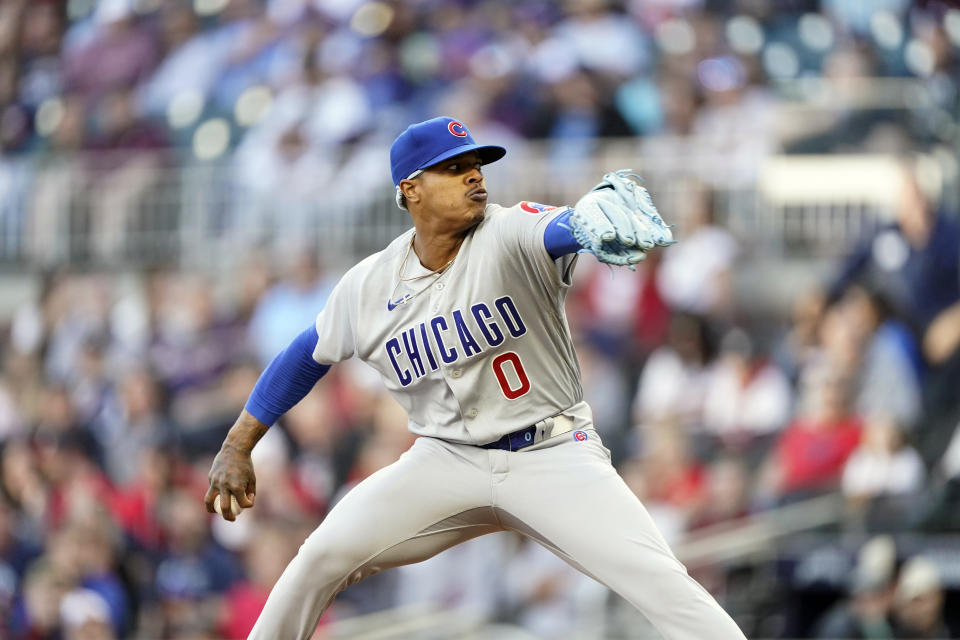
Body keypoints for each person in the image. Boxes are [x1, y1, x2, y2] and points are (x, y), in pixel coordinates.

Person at [204, 116, 747, 639]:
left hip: (551, 453)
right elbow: (303, 355)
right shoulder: (369, 285)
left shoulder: (508, 230)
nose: (474, 175)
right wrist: (238, 442)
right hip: (445, 460)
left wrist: (583, 223)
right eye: (453, 167)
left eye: (477, 164)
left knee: (662, 584)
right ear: (411, 189)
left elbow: (557, 229)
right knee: (318, 559)